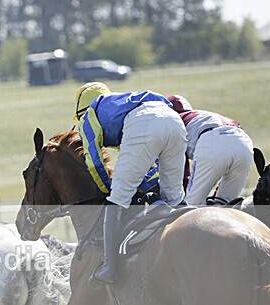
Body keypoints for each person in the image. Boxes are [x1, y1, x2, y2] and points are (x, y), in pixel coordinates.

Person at [74, 82, 187, 285]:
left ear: (80, 111)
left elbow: (94, 161)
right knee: (175, 197)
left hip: (144, 123)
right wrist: (139, 183)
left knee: (117, 200)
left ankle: (109, 267)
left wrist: (108, 190)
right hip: (174, 121)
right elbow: (152, 169)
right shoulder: (122, 105)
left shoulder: (89, 116)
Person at [167, 95, 254, 206]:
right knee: (227, 205)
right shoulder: (201, 114)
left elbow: (180, 168)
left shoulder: (174, 121)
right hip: (243, 141)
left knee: (191, 206)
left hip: (212, 140)